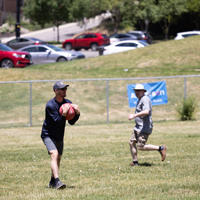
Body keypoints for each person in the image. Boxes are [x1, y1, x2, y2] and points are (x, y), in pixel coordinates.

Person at [41, 81, 80, 189]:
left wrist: (77, 113)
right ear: (56, 91)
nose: (64, 91)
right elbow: (58, 121)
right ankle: (57, 181)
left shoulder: (68, 103)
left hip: (59, 135)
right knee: (54, 154)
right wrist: (63, 113)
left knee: (58, 158)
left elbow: (71, 122)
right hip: (48, 134)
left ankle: (52, 181)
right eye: (62, 89)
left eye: (65, 89)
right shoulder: (50, 105)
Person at [128, 83, 166, 166]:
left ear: (143, 91)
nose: (136, 92)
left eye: (138, 91)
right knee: (131, 142)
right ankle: (135, 162)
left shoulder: (145, 99)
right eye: (135, 91)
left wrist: (134, 115)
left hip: (144, 127)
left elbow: (146, 111)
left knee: (140, 146)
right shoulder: (140, 99)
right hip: (138, 127)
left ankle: (160, 148)